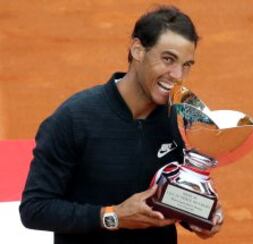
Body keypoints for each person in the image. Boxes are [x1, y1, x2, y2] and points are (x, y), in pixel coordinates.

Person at [19, 5, 223, 244]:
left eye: (187, 65)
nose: (178, 75)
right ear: (137, 49)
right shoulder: (73, 119)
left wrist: (199, 216)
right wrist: (112, 216)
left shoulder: (178, 115)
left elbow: (167, 193)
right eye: (168, 59)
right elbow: (35, 209)